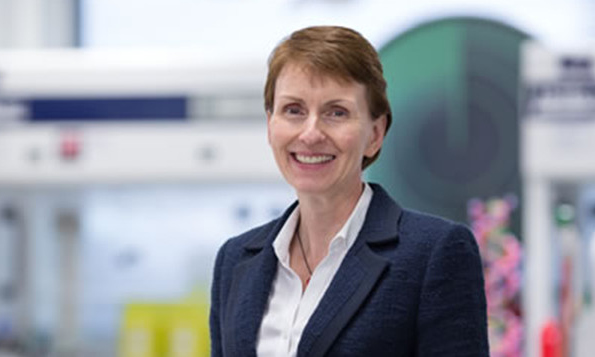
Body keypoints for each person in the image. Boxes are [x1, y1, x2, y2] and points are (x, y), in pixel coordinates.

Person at [209, 25, 488, 357]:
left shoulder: (434, 253)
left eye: (336, 112)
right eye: (293, 110)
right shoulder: (236, 260)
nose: (311, 134)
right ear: (270, 124)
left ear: (375, 133)